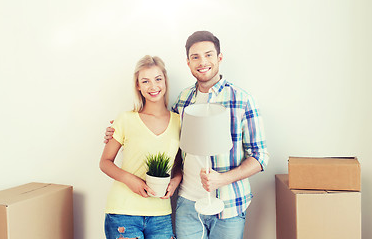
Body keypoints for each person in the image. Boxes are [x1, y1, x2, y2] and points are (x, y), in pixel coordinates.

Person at [104, 31, 269, 239]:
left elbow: (261, 156)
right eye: (195, 57)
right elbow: (168, 146)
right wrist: (117, 129)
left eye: (208, 55)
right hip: (187, 205)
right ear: (188, 63)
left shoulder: (243, 100)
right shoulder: (182, 101)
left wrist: (222, 179)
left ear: (219, 57)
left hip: (229, 205)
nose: (202, 62)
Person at [99, 55, 181, 239]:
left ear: (165, 81)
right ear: (138, 85)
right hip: (123, 212)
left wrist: (174, 182)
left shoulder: (179, 121)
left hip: (161, 214)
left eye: (158, 79)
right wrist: (131, 180)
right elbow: (105, 162)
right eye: (146, 81)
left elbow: (180, 164)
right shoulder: (125, 119)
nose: (153, 87)